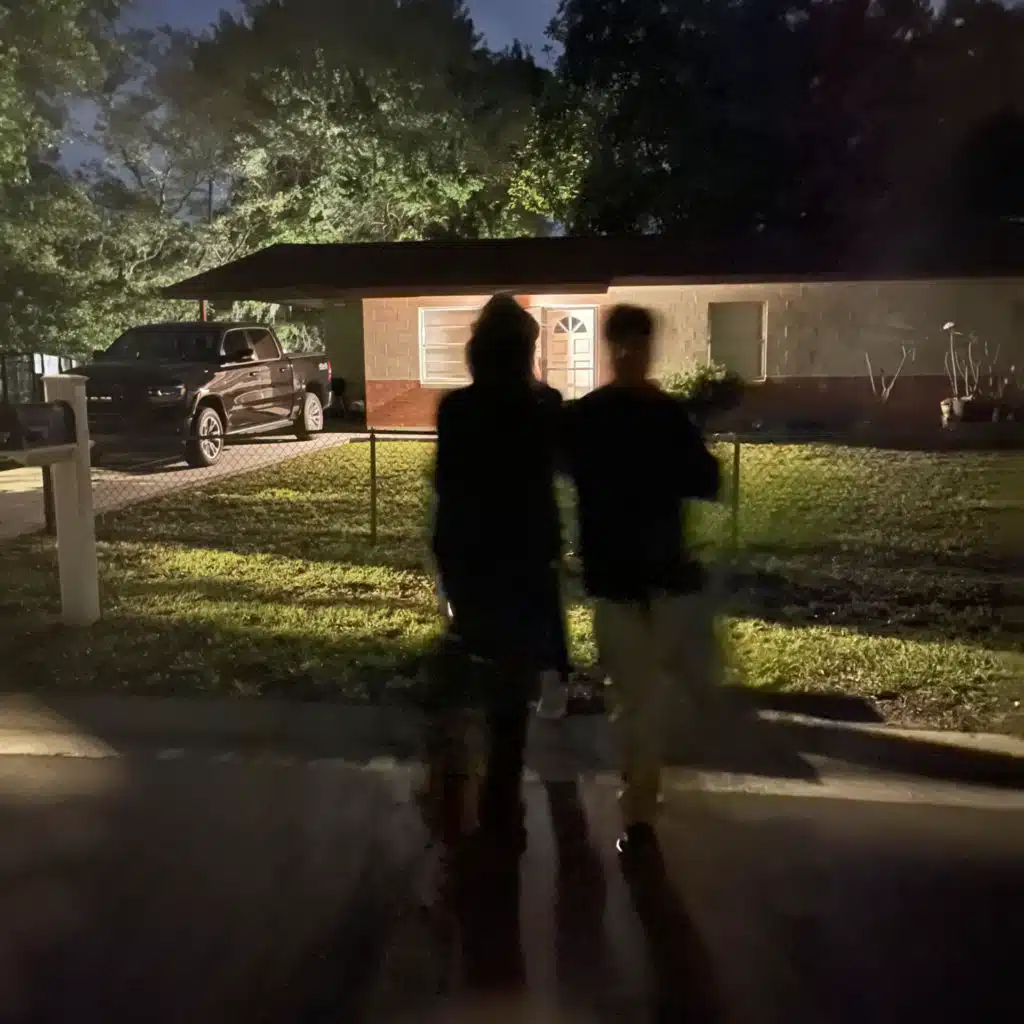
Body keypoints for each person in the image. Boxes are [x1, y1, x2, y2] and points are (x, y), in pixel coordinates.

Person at [562, 304, 721, 857]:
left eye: (637, 344)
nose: (630, 354)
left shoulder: (609, 415)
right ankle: (640, 806)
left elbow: (704, 478)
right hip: (629, 578)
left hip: (644, 576)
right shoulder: (644, 415)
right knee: (638, 697)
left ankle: (641, 800)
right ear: (612, 349)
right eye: (623, 344)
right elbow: (706, 478)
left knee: (639, 697)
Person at [432, 293, 566, 843]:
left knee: (481, 665)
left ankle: (467, 792)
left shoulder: (457, 410)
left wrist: (448, 562)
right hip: (526, 560)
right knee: (513, 689)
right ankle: (501, 809)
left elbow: (448, 488)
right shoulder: (543, 407)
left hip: (472, 557)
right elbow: (560, 466)